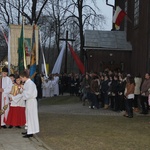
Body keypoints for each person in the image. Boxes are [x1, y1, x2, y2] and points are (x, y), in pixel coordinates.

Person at [9, 70, 39, 138]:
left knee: (31, 116)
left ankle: (31, 132)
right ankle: (29, 129)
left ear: (25, 77)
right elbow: (22, 94)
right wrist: (13, 98)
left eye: (21, 78)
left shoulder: (31, 84)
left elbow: (28, 94)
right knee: (28, 116)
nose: (21, 79)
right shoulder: (26, 84)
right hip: (28, 101)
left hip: (31, 101)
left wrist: (24, 89)